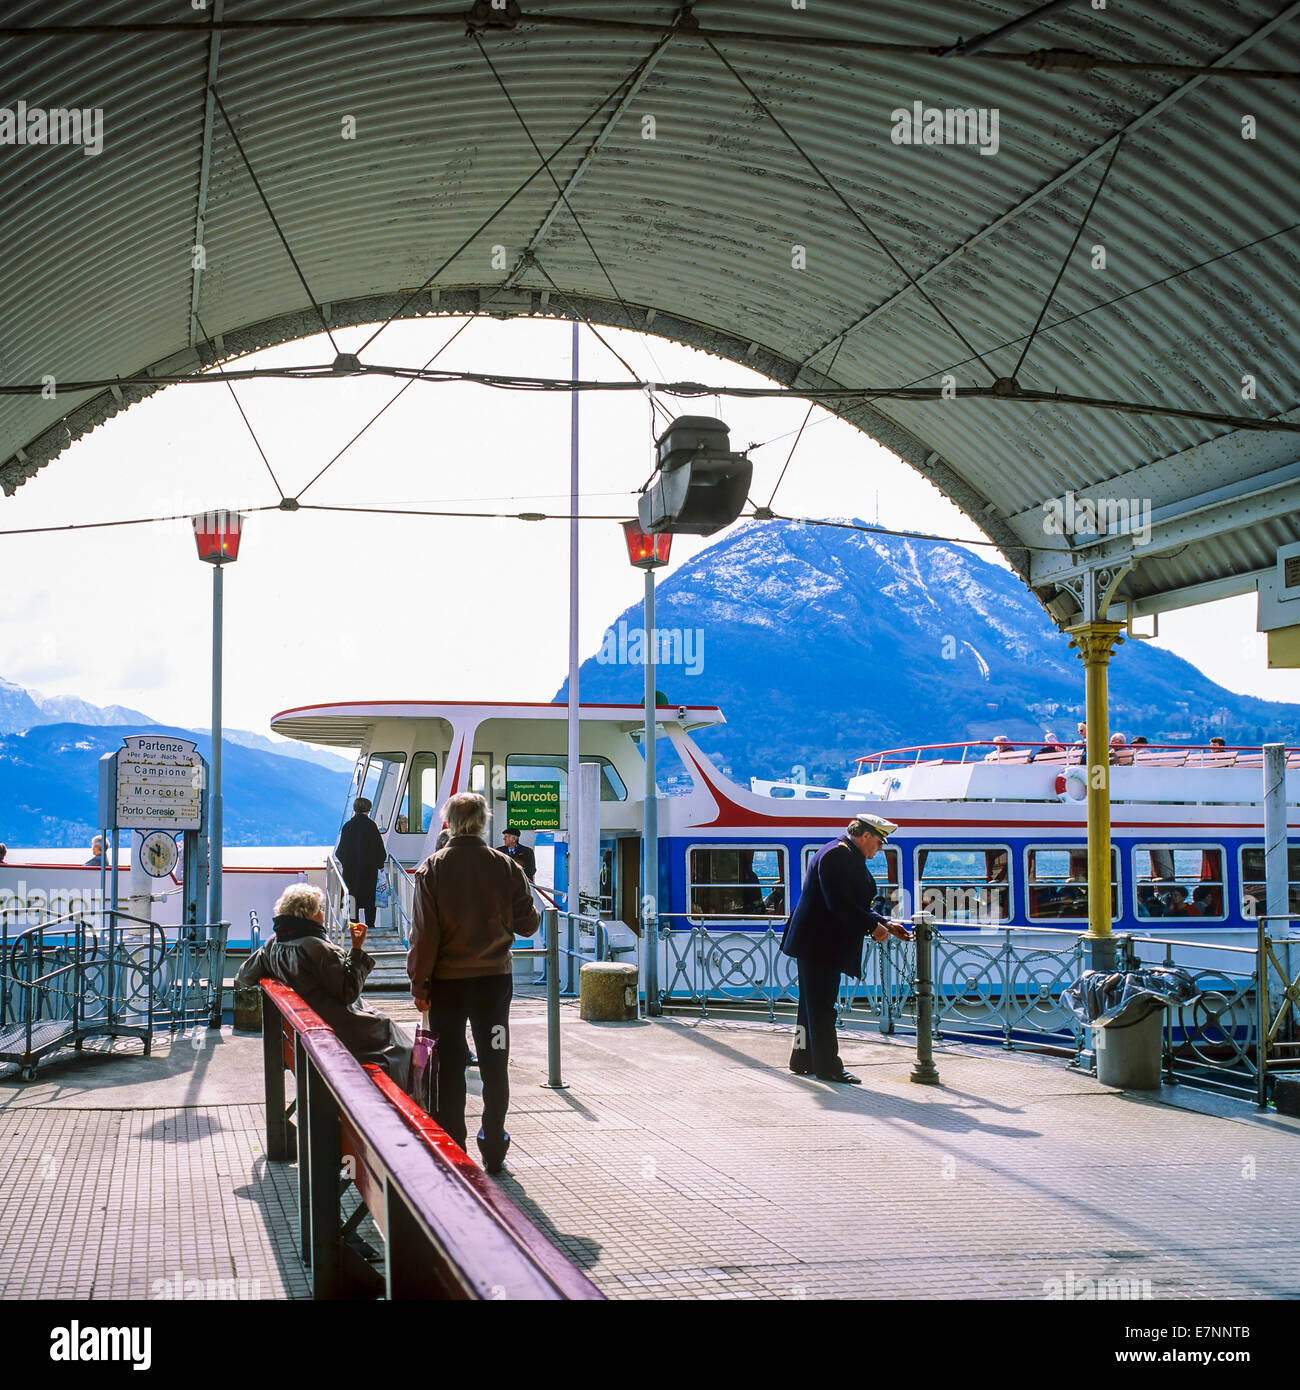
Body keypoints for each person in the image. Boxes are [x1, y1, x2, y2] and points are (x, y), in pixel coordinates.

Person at [407, 792, 540, 1173]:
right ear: (484, 822)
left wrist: (419, 985)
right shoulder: (506, 866)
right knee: (495, 1064)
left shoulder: (433, 869)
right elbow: (527, 925)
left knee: (450, 1069)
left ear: (448, 823)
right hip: (493, 986)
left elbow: (424, 935)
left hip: (446, 987)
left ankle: (455, 1151)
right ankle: (494, 1144)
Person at [235, 883, 412, 1086]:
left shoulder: (272, 945)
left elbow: (244, 975)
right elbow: (349, 991)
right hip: (336, 1031)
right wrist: (356, 949)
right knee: (400, 1041)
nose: (322, 914)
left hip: (301, 1033)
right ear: (307, 913)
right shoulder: (317, 948)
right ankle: (412, 1102)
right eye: (320, 909)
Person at [780, 815, 912, 1084]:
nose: (879, 849)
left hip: (815, 942)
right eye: (878, 842)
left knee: (810, 1007)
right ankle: (829, 1067)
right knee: (822, 1008)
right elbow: (838, 903)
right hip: (819, 943)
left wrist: (885, 922)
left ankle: (802, 1058)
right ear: (865, 836)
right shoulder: (838, 855)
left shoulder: (841, 853)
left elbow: (855, 903)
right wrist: (873, 928)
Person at [335, 797, 387, 928]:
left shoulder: (347, 826)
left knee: (352, 898)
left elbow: (339, 852)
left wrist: (347, 863)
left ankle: (353, 925)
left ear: (355, 809)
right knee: (370, 899)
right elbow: (379, 849)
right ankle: (370, 925)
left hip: (350, 871)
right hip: (369, 871)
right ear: (368, 809)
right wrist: (380, 864)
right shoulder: (371, 826)